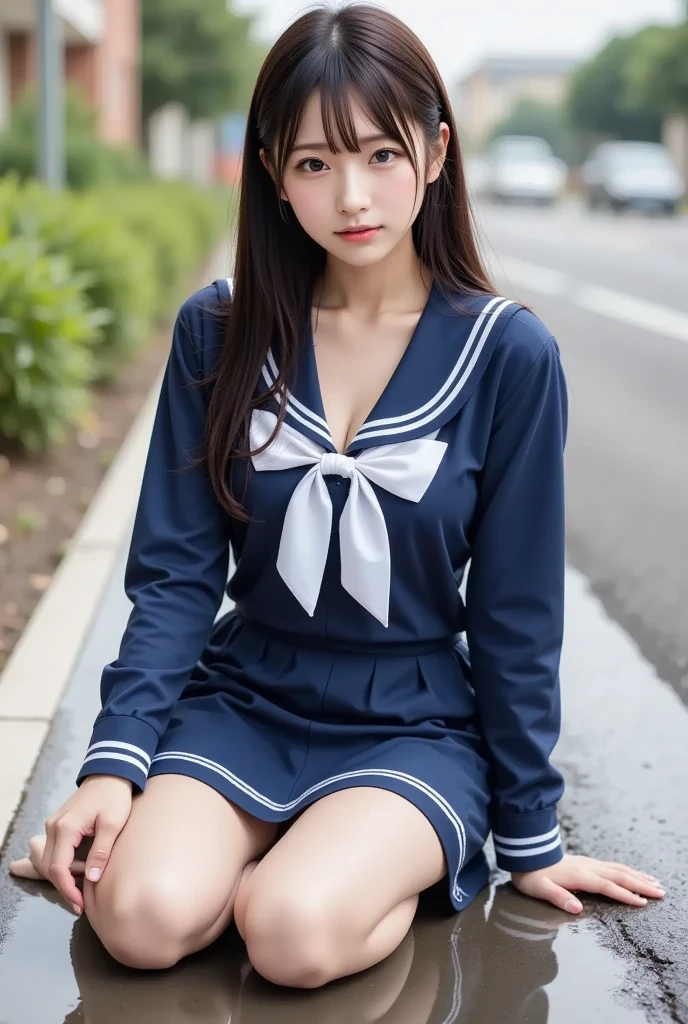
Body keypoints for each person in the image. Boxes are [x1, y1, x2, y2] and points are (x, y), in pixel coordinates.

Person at [10, 1, 664, 990]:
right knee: (138, 918)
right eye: (314, 163)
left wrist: (529, 833)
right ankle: (255, 859)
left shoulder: (506, 354)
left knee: (289, 933)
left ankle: (363, 862)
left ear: (435, 153)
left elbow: (516, 612)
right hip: (244, 698)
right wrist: (114, 764)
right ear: (272, 174)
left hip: (414, 719)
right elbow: (178, 577)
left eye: (379, 155)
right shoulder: (219, 330)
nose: (350, 195)